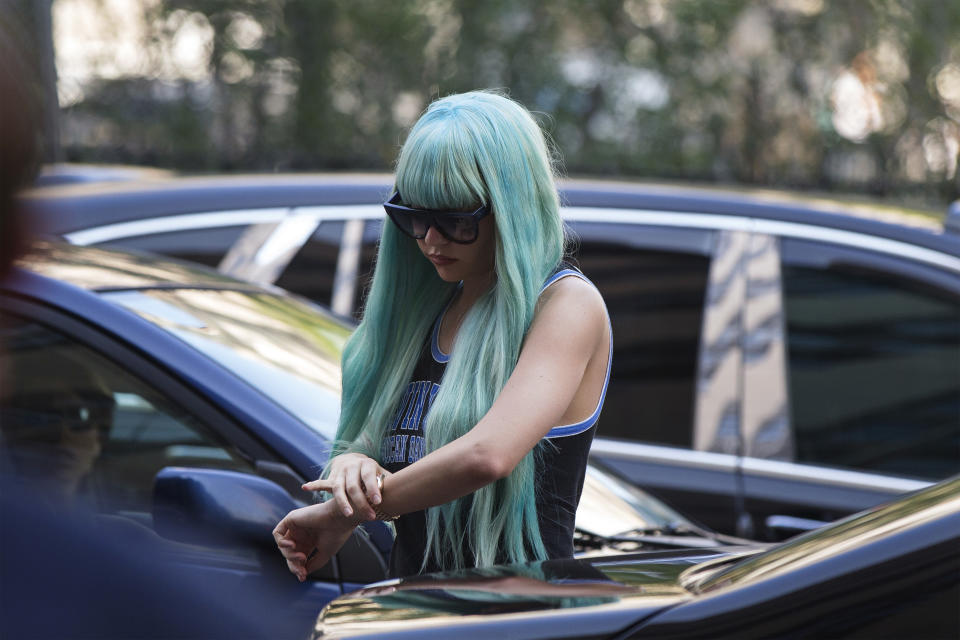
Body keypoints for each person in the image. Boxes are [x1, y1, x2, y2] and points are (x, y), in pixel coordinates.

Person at [273, 90, 612, 580]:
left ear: (512, 209)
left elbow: (487, 455)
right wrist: (353, 465)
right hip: (417, 615)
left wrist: (349, 511)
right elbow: (375, 440)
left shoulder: (564, 304)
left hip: (522, 620)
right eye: (415, 216)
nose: (431, 240)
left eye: (455, 220)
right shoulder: (425, 311)